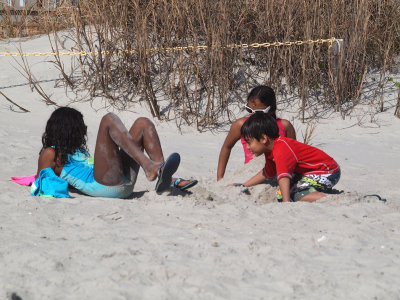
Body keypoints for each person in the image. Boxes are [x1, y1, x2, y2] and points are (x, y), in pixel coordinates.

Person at [35, 107, 185, 198]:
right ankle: (150, 167)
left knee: (142, 123)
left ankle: (163, 175)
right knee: (108, 119)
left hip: (120, 183)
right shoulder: (50, 153)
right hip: (103, 187)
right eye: (81, 125)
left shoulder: (78, 151)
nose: (86, 128)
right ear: (68, 129)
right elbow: (41, 181)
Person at [238, 113, 340, 202]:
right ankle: (316, 191)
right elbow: (267, 173)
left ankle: (328, 198)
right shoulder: (269, 151)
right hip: (314, 172)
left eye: (249, 142)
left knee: (295, 195)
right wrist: (244, 185)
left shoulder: (281, 149)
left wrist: (286, 202)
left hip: (327, 171)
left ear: (263, 138)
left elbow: (283, 176)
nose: (247, 147)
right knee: (281, 192)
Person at [217, 85, 296, 181]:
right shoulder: (241, 124)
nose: (253, 114)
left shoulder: (284, 126)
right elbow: (227, 147)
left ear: (271, 110)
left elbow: (293, 153)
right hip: (251, 174)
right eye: (249, 110)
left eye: (259, 111)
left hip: (279, 175)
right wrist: (219, 178)